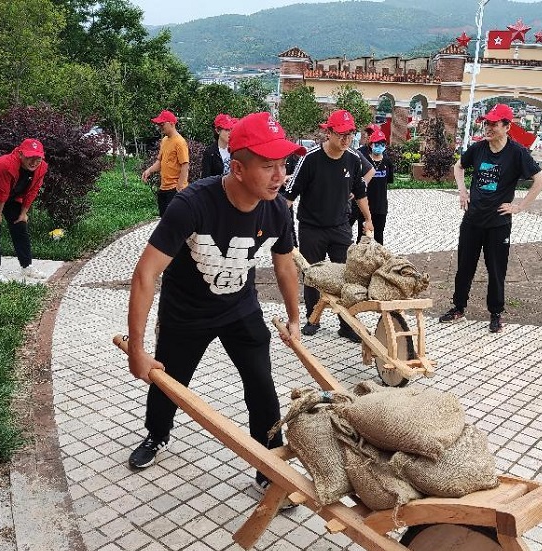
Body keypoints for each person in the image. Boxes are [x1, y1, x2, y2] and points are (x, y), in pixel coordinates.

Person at [125, 112, 304, 495]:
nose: (280, 176)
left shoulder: (277, 209)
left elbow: (285, 264)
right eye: (268, 166)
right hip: (186, 313)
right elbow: (145, 274)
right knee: (168, 381)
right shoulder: (192, 204)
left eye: (283, 165)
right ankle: (157, 434)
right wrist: (136, 350)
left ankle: (270, 466)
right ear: (237, 168)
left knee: (262, 385)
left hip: (240, 309)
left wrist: (294, 317)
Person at [440, 103, 542, 333]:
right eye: (486, 123)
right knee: (464, 267)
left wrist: (519, 207)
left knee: (496, 270)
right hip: (472, 220)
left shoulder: (517, 153)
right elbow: (459, 167)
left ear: (507, 126)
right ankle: (458, 307)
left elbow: (540, 180)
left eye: (493, 124)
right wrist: (462, 191)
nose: (488, 128)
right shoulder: (478, 148)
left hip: (498, 223)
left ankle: (496, 313)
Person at [283, 109, 373, 341]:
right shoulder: (310, 159)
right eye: (341, 134)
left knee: (347, 275)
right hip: (311, 227)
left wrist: (368, 219)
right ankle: (313, 318)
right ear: (329, 133)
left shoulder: (353, 159)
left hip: (340, 226)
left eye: (350, 134)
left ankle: (346, 324)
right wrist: (278, 223)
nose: (346, 139)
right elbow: (290, 195)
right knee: (312, 274)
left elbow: (360, 192)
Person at [0, 138, 49, 282]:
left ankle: (27, 266)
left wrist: (23, 213)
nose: (34, 162)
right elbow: (1, 192)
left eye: (38, 158)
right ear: (20, 154)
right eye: (30, 157)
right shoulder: (6, 164)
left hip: (10, 193)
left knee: (20, 224)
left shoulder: (42, 167)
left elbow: (33, 191)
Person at [141, 110, 189, 217]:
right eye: (159, 125)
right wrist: (149, 171)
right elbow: (160, 162)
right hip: (163, 188)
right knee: (164, 219)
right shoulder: (164, 140)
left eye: (162, 124)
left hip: (175, 189)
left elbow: (185, 165)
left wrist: (180, 187)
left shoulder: (180, 142)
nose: (160, 127)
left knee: (175, 221)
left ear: (172, 124)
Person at [357, 128, 394, 244]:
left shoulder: (387, 162)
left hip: (381, 206)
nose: (380, 146)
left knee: (379, 236)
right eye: (377, 144)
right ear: (371, 144)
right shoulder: (364, 162)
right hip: (365, 205)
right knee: (363, 237)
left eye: (382, 144)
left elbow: (389, 180)